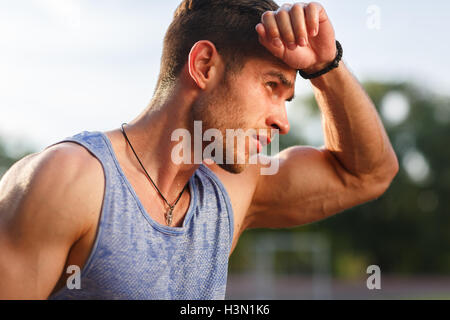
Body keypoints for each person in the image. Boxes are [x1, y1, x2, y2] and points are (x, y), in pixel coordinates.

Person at [0, 0, 398, 299]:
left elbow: (368, 175)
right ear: (205, 65)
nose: (282, 121)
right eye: (271, 87)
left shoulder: (232, 191)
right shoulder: (69, 180)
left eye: (288, 98)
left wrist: (326, 67)